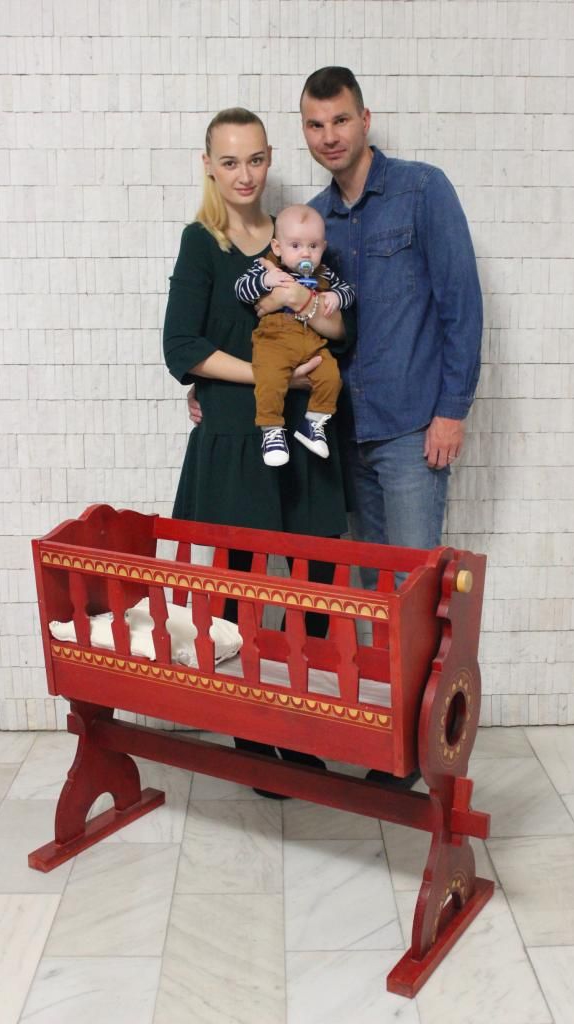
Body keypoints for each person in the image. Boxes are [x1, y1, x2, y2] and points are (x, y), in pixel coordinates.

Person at [163, 107, 356, 794]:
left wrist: (305, 316)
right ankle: (251, 732)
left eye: (254, 159)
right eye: (229, 161)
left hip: (304, 438)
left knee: (313, 583)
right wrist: (268, 377)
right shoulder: (202, 243)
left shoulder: (294, 237)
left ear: (269, 159)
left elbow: (339, 326)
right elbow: (181, 347)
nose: (243, 174)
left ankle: (302, 728)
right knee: (237, 588)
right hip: (235, 439)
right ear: (208, 166)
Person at [299, 67, 483, 561]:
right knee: (370, 590)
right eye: (316, 125)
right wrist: (213, 387)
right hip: (345, 433)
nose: (329, 136)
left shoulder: (422, 190)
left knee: (412, 586)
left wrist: (452, 412)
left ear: (365, 119)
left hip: (411, 432)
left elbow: (461, 305)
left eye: (340, 120)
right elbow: (292, 320)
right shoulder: (313, 222)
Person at [235, 203, 354, 466]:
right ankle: (271, 430)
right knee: (270, 378)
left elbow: (349, 292)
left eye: (313, 246)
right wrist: (265, 282)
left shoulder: (325, 274)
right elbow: (241, 289)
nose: (306, 253)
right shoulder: (268, 267)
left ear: (323, 247)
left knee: (331, 377)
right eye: (296, 245)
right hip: (275, 339)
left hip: (311, 340)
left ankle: (314, 423)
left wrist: (336, 296)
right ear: (278, 247)